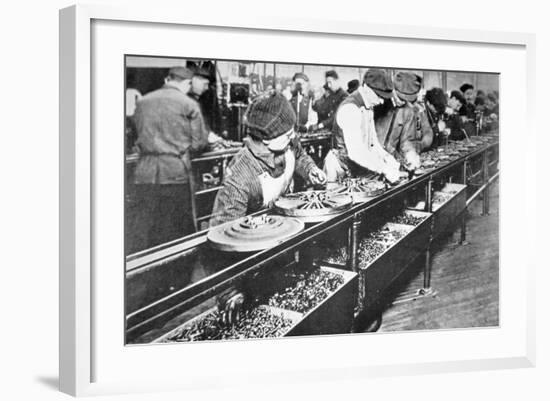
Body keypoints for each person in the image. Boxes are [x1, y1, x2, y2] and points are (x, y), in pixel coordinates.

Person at [209, 92, 326, 227]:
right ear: (266, 139)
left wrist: (310, 169)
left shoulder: (287, 142)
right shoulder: (240, 175)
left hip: (287, 224)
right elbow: (225, 231)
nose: (293, 136)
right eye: (287, 134)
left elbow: (298, 155)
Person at [131, 66, 209, 251]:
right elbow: (199, 143)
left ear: (168, 80)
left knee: (145, 230)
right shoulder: (188, 104)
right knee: (174, 231)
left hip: (143, 173)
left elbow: (135, 135)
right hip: (175, 174)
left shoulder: (142, 102)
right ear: (188, 83)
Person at [324, 68, 403, 183]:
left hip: (355, 168)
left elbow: (373, 143)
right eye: (379, 96)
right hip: (339, 170)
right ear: (366, 88)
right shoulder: (350, 109)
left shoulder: (368, 106)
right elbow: (356, 152)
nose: (381, 101)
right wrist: (384, 169)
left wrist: (387, 157)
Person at [373, 72, 431, 172]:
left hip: (390, 161)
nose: (404, 103)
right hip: (370, 159)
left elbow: (406, 140)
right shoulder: (377, 104)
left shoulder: (408, 110)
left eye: (408, 101)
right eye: (401, 98)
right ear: (394, 91)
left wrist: (410, 153)